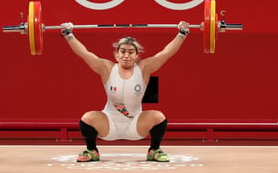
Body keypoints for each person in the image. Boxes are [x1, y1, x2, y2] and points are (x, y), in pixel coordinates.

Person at [60, 21, 190, 162]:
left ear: (136, 56)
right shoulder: (107, 68)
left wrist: (181, 34)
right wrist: (68, 34)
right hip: (109, 123)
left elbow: (165, 53)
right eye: (122, 52)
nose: (126, 55)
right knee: (87, 118)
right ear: (116, 54)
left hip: (135, 123)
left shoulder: (144, 68)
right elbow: (85, 54)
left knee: (159, 117)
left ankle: (154, 150)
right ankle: (92, 151)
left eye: (130, 52)